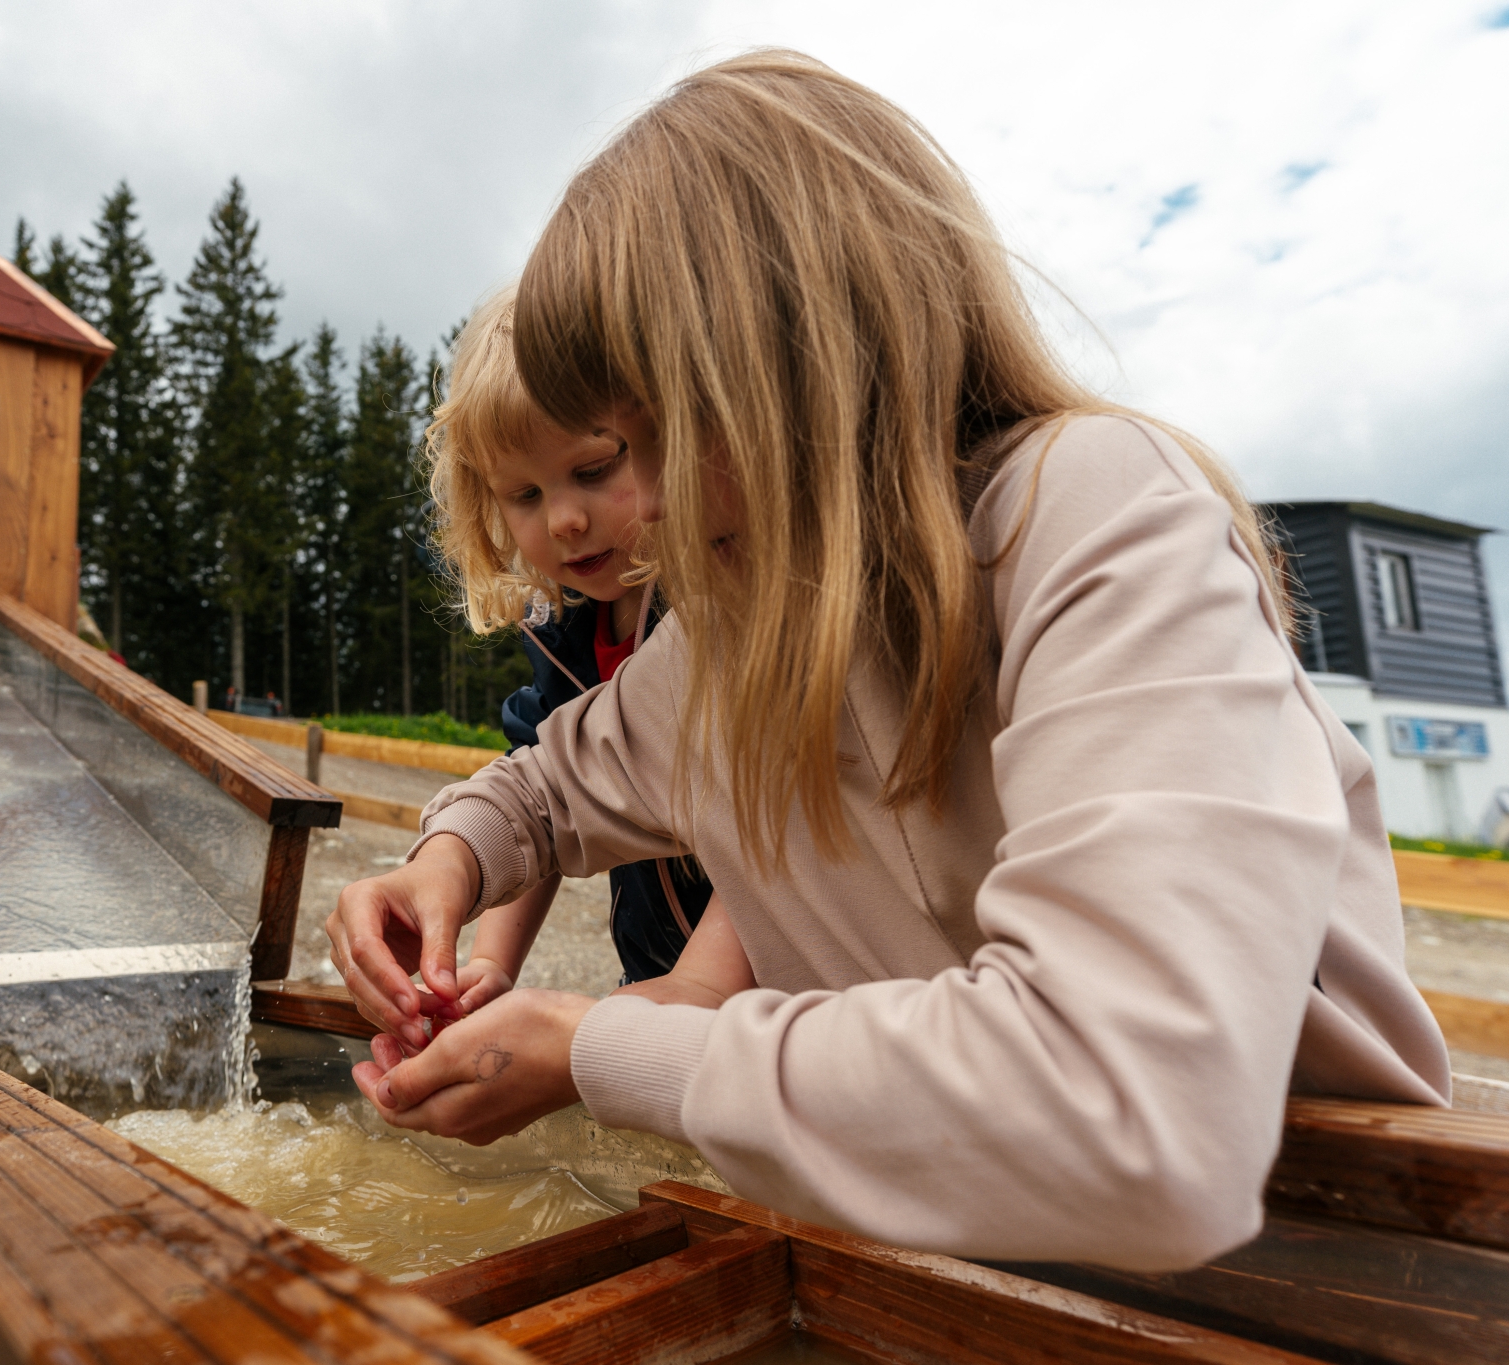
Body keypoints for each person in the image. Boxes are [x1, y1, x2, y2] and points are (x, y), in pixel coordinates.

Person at [325, 49, 1449, 1271]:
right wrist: (446, 863)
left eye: (654, 437)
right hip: (950, 1270)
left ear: (791, 368)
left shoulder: (1088, 510)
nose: (631, 513)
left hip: (1308, 1274)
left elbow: (1132, 1122)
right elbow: (542, 788)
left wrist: (589, 1046)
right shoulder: (729, 639)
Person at [384, 289, 750, 1039]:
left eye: (593, 468)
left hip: (773, 1005)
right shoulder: (561, 626)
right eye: (524, 493)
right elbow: (551, 795)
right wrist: (493, 963)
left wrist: (700, 985)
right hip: (658, 982)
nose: (564, 519)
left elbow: (770, 816)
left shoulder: (721, 601)